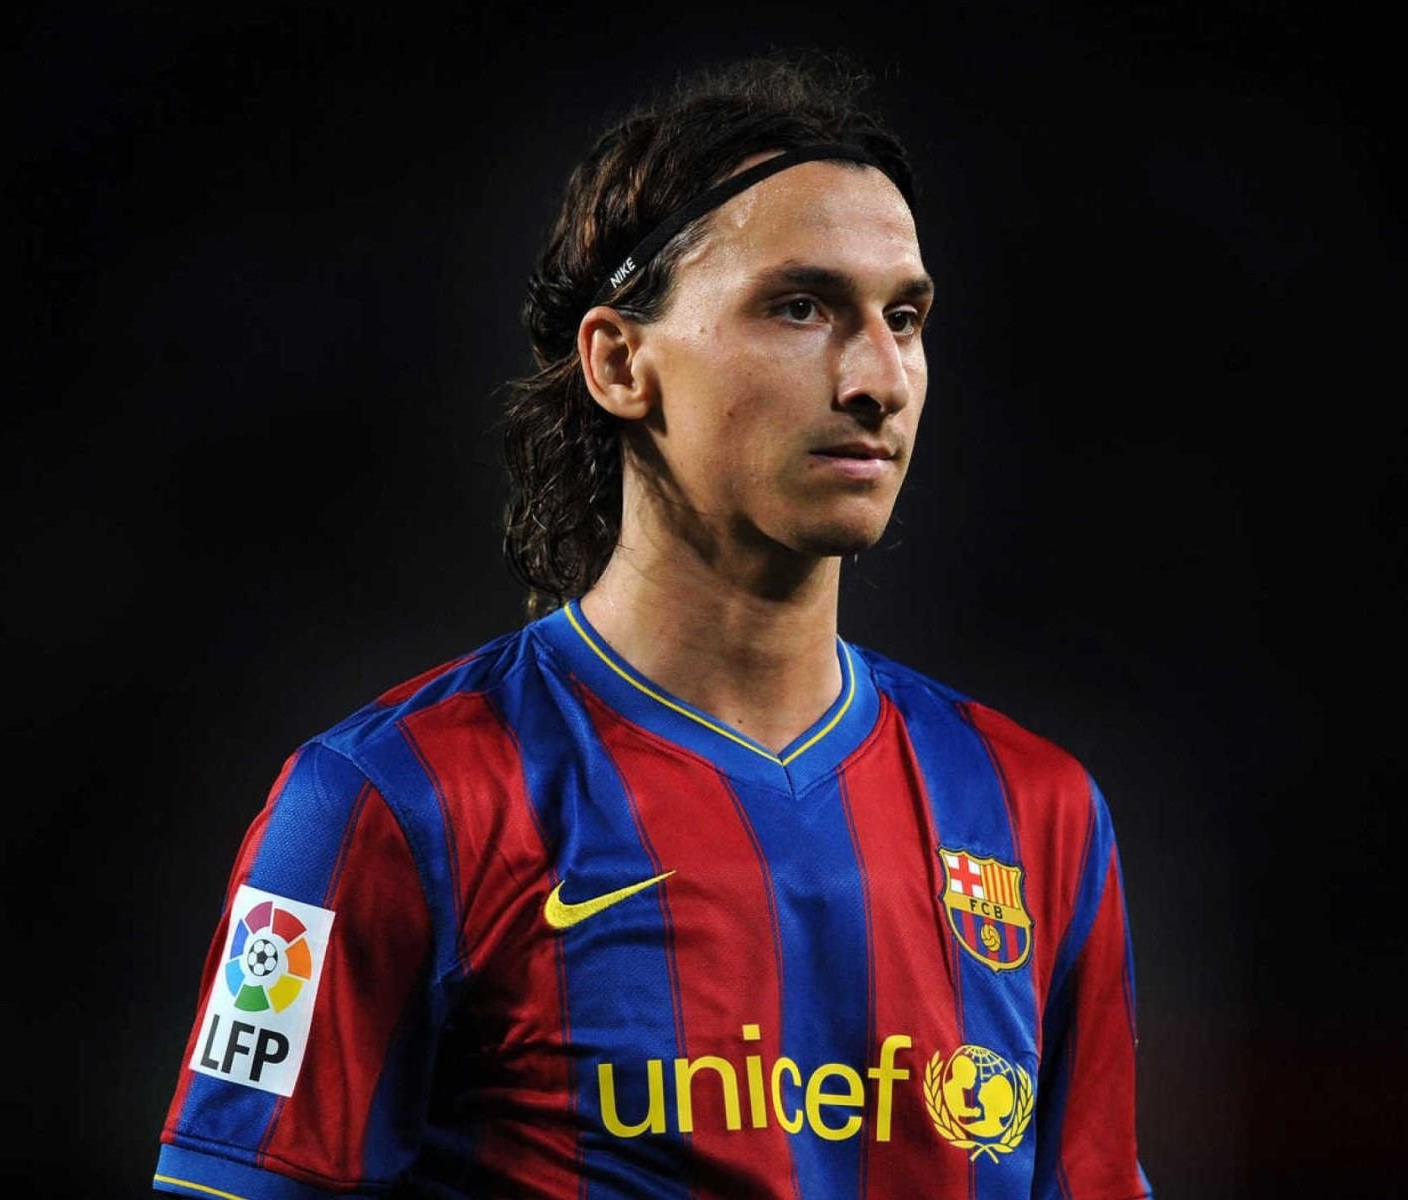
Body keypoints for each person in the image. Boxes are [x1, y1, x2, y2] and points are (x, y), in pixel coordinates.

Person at [153, 51, 1150, 1199]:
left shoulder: (1037, 814)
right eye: (800, 306)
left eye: (906, 317)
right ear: (621, 362)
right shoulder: (387, 802)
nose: (880, 379)